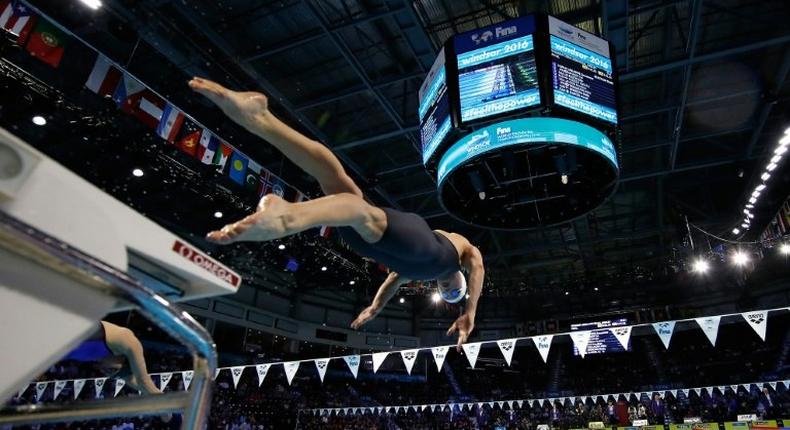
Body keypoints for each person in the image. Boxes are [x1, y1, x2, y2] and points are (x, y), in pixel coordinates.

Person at [189, 77, 486, 349]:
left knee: (349, 196)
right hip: (368, 244)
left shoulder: (455, 255)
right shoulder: (407, 272)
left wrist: (470, 310)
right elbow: (388, 287)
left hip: (417, 243)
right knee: (340, 188)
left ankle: (288, 216)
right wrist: (374, 309)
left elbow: (478, 268)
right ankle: (262, 119)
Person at [62, 321, 160, 395]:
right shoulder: (124, 340)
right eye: (112, 369)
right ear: (123, 360)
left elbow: (135, 383)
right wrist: (167, 406)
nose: (105, 371)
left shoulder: (94, 356)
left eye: (108, 373)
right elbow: (143, 381)